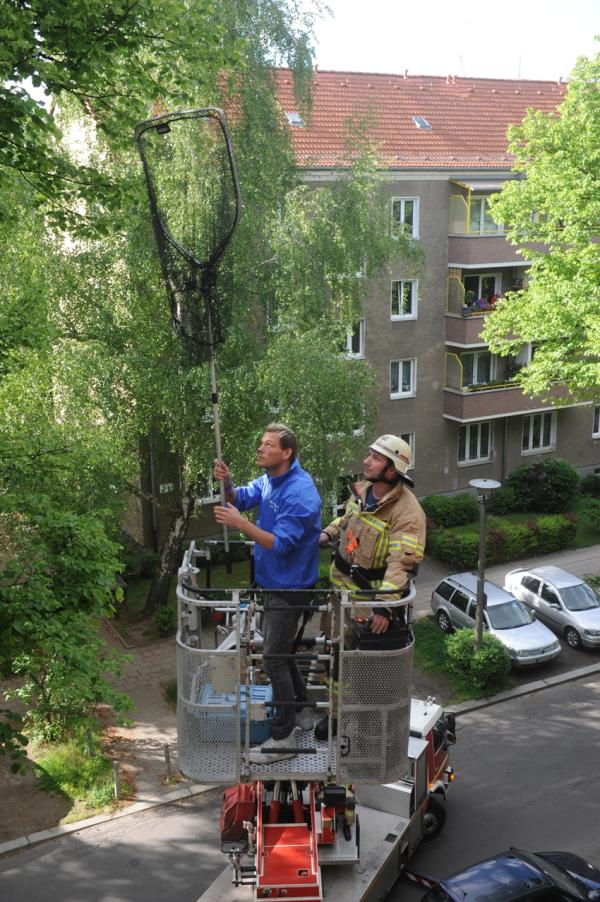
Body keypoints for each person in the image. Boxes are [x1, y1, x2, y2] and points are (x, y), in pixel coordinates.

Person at [213, 423, 322, 763]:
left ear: (286, 452)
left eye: (268, 444)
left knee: (274, 659)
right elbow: (240, 498)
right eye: (260, 443)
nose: (260, 449)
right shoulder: (271, 481)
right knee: (282, 654)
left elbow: (281, 544)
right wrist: (227, 482)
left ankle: (284, 739)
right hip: (274, 585)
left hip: (289, 590)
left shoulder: (301, 493)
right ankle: (302, 712)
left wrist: (241, 525)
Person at [315, 434, 426, 740]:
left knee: (362, 666)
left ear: (392, 470)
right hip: (339, 594)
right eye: (369, 455)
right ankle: (335, 716)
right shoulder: (363, 491)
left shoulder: (407, 512)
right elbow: (347, 519)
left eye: (376, 458)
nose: (366, 461)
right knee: (335, 655)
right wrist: (327, 533)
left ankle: (364, 722)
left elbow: (400, 564)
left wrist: (384, 607)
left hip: (366, 603)